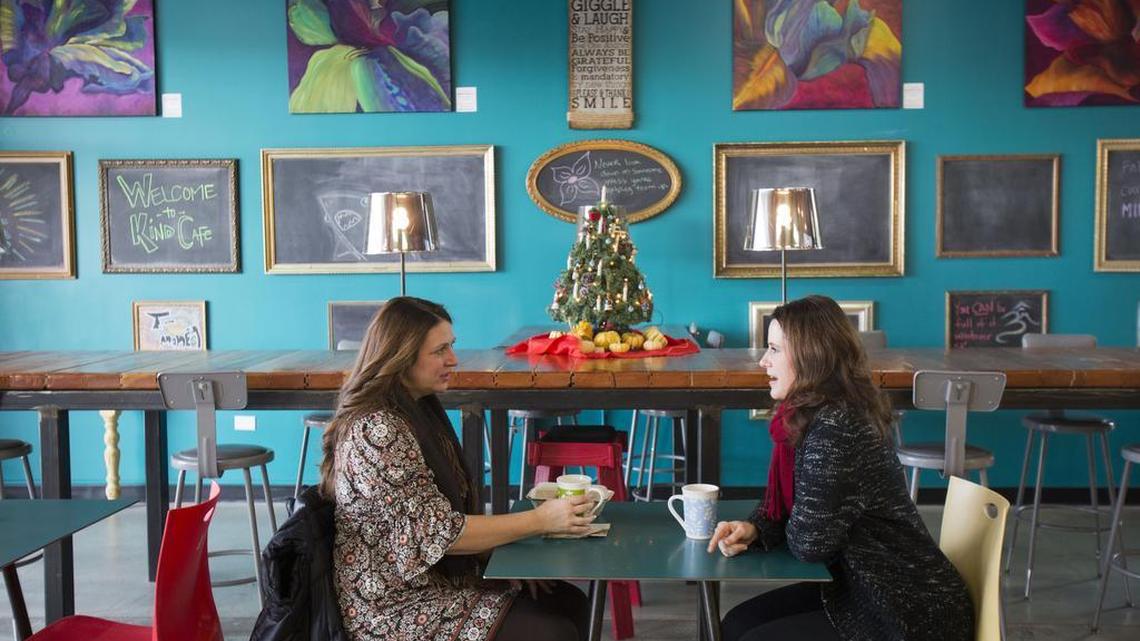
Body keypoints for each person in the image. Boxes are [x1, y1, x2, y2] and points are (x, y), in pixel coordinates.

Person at [319, 297, 593, 641]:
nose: (453, 359)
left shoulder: (416, 408)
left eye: (452, 346)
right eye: (439, 350)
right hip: (392, 607)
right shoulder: (378, 429)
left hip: (434, 581)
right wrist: (542, 520)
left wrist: (507, 559)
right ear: (401, 357)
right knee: (553, 631)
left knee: (568, 602)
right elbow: (441, 535)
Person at [707, 295, 974, 641]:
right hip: (859, 586)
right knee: (738, 623)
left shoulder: (836, 427)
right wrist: (756, 528)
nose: (762, 361)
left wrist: (791, 523)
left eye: (774, 349)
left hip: (904, 608)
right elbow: (801, 519)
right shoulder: (811, 415)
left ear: (810, 356)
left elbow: (810, 544)